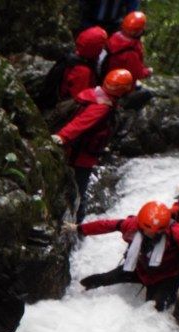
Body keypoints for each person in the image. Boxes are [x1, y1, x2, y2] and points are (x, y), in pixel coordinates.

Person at [64, 201, 179, 311]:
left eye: (157, 232)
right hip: (140, 269)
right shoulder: (132, 224)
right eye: (148, 231)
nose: (152, 234)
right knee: (102, 279)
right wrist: (78, 228)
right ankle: (73, 295)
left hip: (166, 276)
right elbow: (106, 225)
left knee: (155, 309)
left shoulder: (175, 231)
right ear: (141, 225)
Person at [51, 68, 134, 223]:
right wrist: (63, 136)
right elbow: (81, 123)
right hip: (81, 157)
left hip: (75, 150)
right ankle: (78, 226)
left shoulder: (92, 93)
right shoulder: (103, 107)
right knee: (79, 192)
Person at [60, 27, 109, 101]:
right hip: (68, 102)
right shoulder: (82, 71)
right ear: (95, 49)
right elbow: (79, 97)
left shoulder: (75, 54)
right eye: (101, 46)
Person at [103, 11, 153, 82]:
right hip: (118, 84)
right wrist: (148, 72)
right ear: (138, 31)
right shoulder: (130, 53)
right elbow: (137, 74)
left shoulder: (114, 37)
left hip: (107, 76)